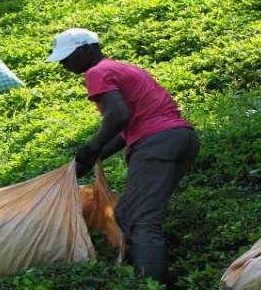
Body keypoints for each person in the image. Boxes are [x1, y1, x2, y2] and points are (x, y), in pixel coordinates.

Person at [45, 28, 200, 286]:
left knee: (142, 219)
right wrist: (94, 157)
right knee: (127, 213)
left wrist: (92, 147)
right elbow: (129, 126)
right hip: (179, 138)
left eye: (67, 56)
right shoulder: (123, 68)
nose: (63, 63)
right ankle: (147, 271)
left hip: (156, 143)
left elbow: (118, 115)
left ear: (87, 49)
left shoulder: (97, 72)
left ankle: (150, 283)